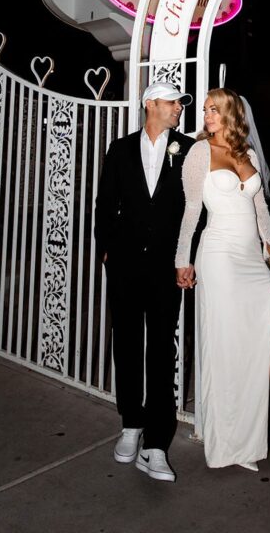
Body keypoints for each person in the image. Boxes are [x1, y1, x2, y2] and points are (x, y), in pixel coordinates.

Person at [175, 88, 270, 478]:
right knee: (228, 348)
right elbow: (190, 212)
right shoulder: (199, 153)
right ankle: (232, 440)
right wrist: (182, 260)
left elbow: (260, 210)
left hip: (252, 258)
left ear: (233, 114)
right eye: (205, 110)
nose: (207, 116)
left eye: (214, 110)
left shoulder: (248, 154)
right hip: (217, 256)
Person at [94, 81, 195, 482]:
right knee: (127, 342)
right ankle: (130, 425)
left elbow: (195, 209)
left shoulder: (188, 149)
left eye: (180, 104)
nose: (178, 109)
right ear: (150, 104)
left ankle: (156, 443)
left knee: (159, 350)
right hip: (124, 265)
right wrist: (105, 249)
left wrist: (187, 258)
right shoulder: (120, 149)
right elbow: (104, 202)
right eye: (173, 102)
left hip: (167, 267)